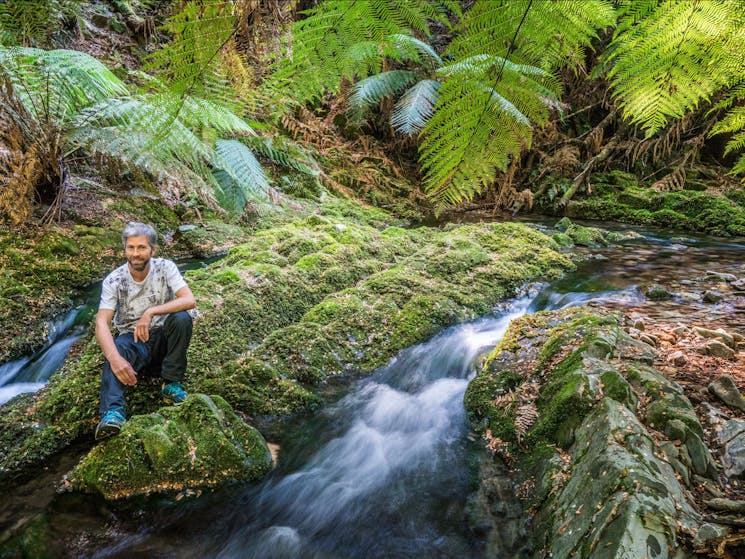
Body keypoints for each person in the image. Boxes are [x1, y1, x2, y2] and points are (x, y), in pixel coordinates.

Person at [94, 222, 196, 440]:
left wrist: (150, 312)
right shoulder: (114, 280)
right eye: (130, 248)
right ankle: (113, 413)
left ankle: (171, 383)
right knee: (117, 349)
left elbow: (189, 299)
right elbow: (102, 323)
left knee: (181, 318)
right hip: (134, 342)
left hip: (165, 339)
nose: (135, 253)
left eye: (141, 247)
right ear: (125, 250)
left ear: (153, 250)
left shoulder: (165, 268)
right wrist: (114, 359)